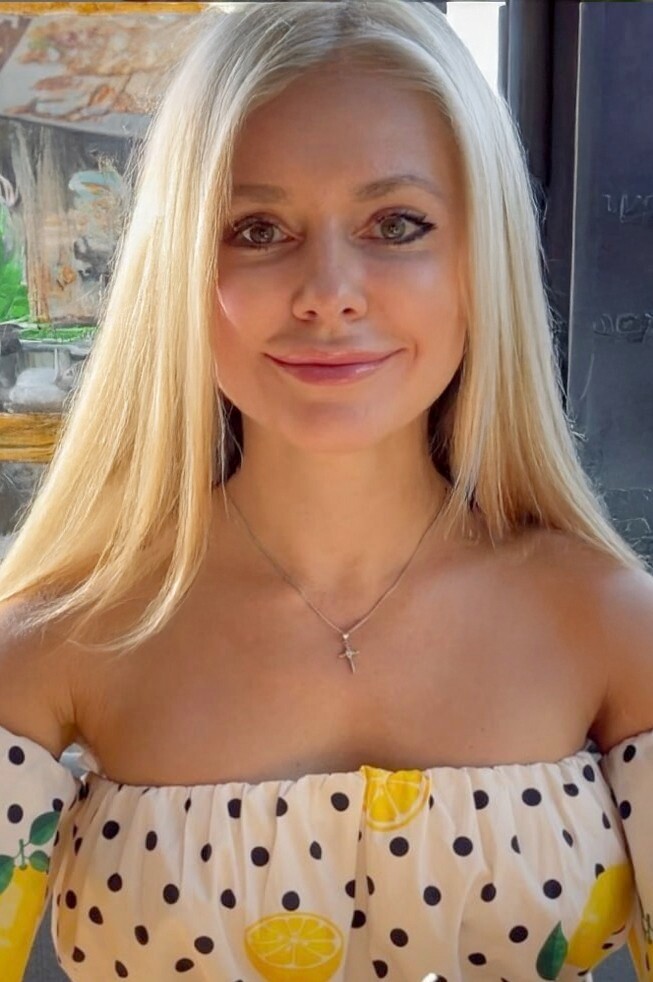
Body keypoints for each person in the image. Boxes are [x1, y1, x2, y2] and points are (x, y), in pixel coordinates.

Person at [0, 1, 651, 979]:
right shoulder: (59, 638)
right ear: (180, 269)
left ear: (480, 261)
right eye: (257, 228)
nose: (328, 292)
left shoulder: (611, 626)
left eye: (397, 224)